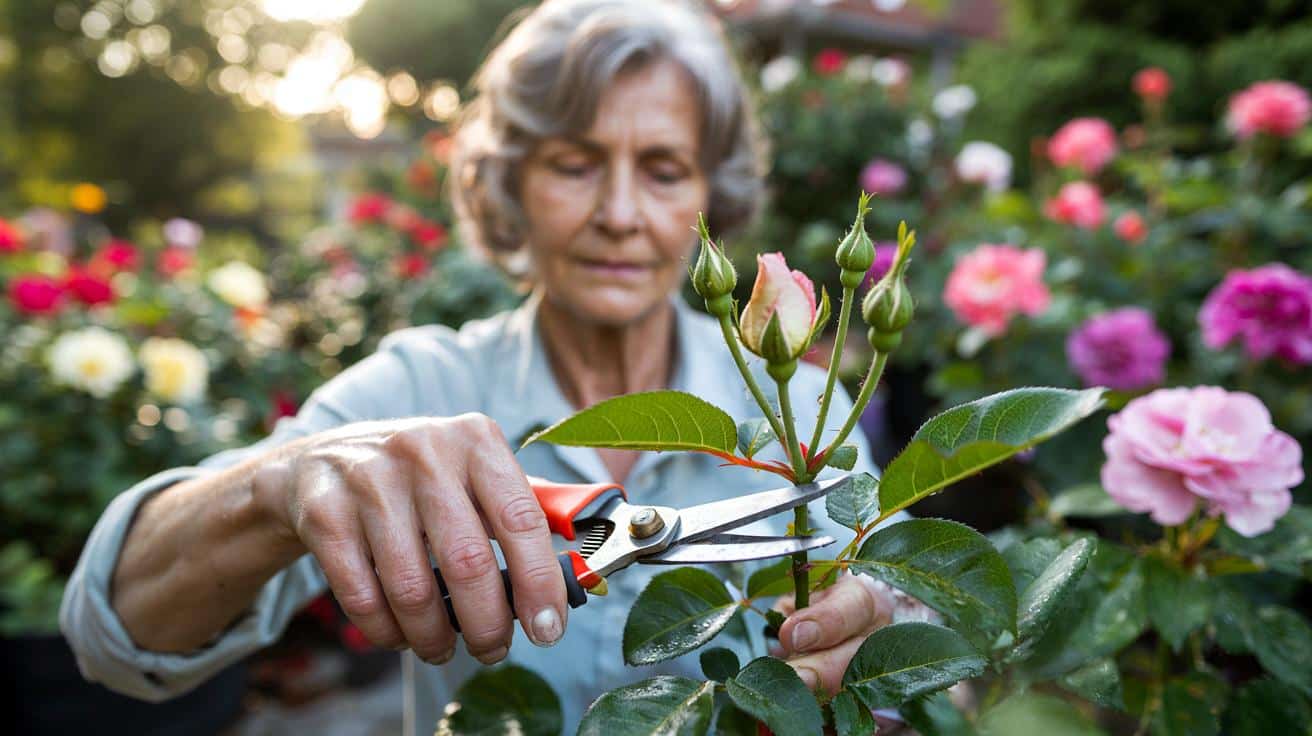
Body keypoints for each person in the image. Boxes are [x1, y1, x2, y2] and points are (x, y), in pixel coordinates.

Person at [60, 1, 905, 731]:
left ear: (707, 196)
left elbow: (900, 645)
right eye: (574, 165)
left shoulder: (802, 411)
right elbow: (111, 638)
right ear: (509, 183)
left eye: (663, 170)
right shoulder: (420, 389)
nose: (619, 213)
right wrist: (276, 487)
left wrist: (876, 643)